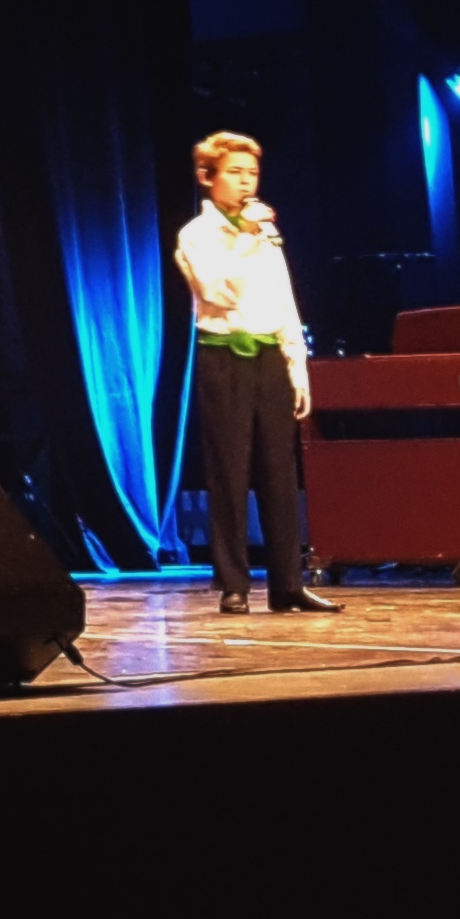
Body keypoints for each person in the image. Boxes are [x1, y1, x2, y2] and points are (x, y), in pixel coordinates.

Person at [175, 131, 338, 615]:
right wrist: (244, 237)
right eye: (235, 172)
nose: (246, 182)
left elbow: (283, 300)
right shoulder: (198, 235)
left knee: (279, 472)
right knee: (229, 470)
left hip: (269, 356)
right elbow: (218, 292)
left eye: (252, 173)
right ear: (207, 177)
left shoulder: (263, 234)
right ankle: (234, 583)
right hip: (224, 355)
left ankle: (288, 583)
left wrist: (298, 368)